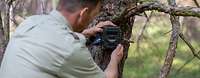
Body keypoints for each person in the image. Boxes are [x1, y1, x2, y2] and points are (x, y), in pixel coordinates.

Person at [0, 0, 124, 78]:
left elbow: (54, 42)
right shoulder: (71, 49)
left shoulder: (30, 22)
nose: (92, 19)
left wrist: (85, 34)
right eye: (94, 15)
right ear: (83, 13)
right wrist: (114, 59)